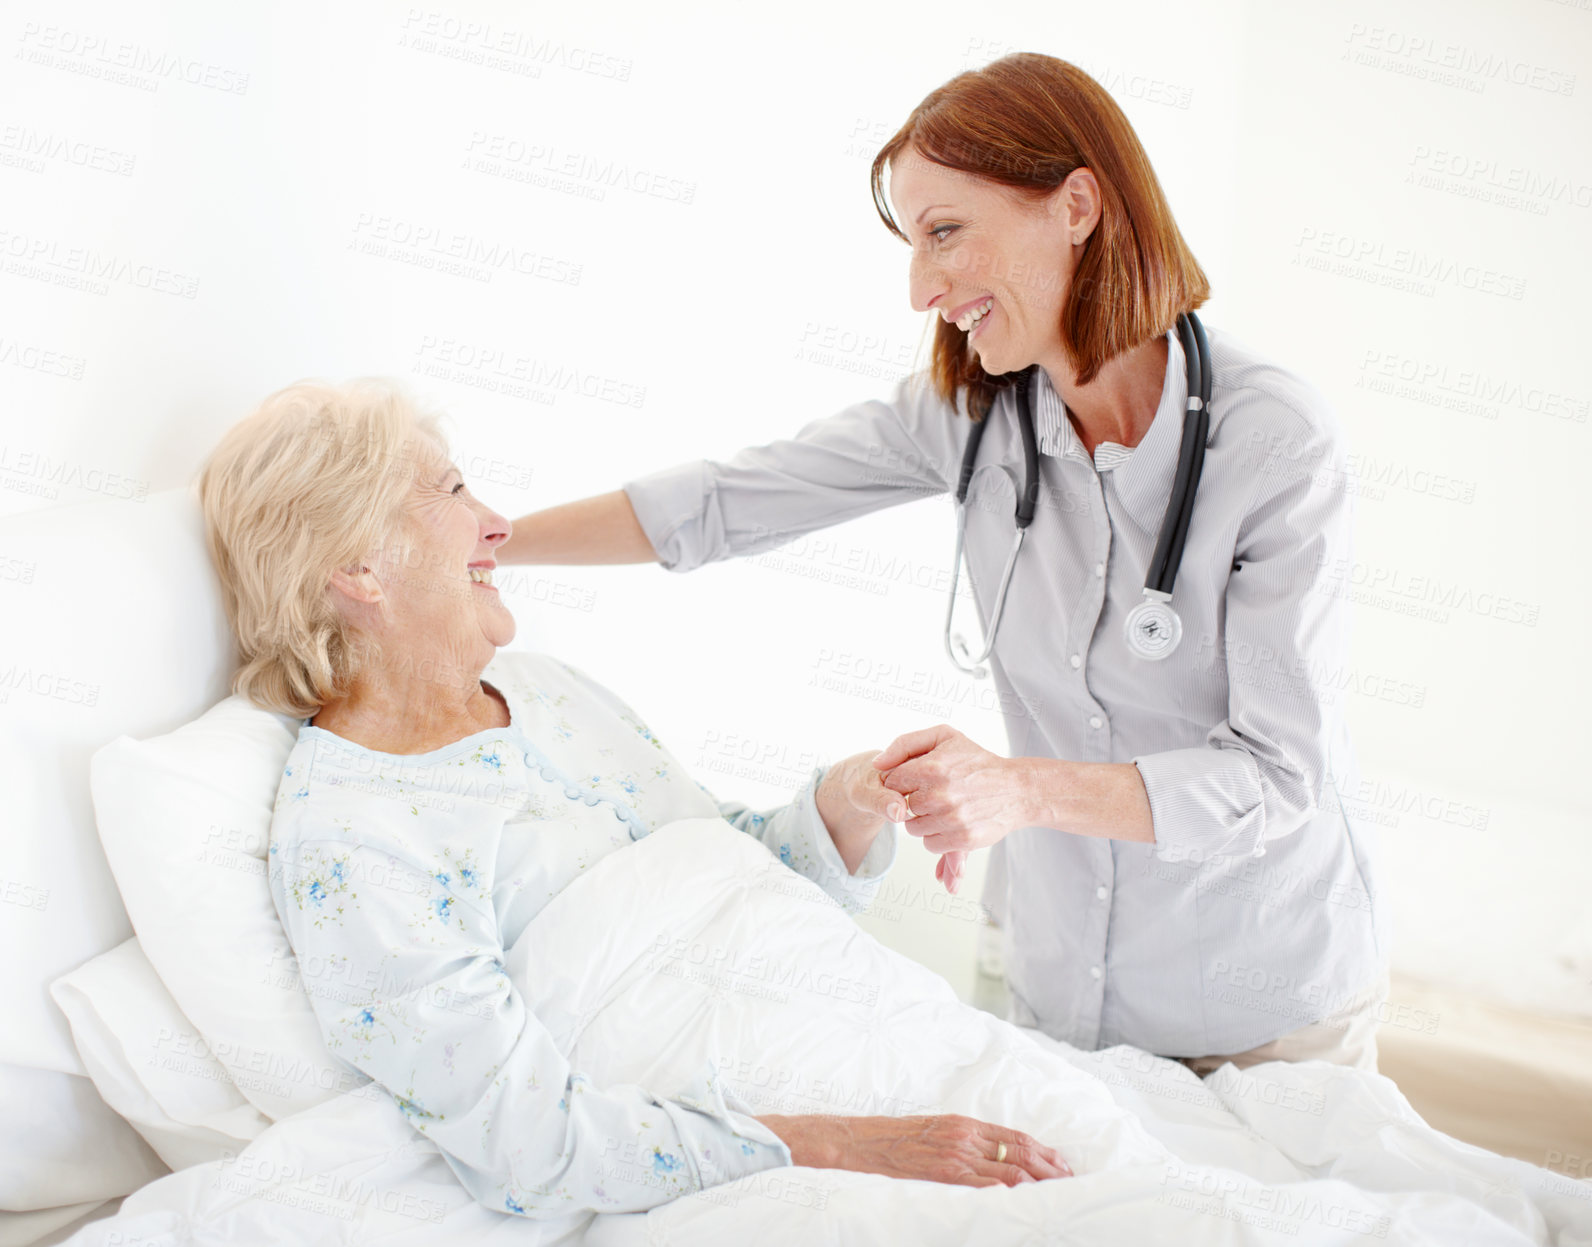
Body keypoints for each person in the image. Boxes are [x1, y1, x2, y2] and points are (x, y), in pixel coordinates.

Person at [496, 52, 1391, 1075]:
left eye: (945, 232)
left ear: (1079, 206)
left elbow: (1277, 774)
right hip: (1058, 995)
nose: (923, 286)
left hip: (1266, 1008)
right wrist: (489, 541)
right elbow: (725, 501)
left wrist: (1021, 790)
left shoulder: (1273, 441)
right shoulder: (973, 415)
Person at [196, 378, 1071, 1219]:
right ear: (359, 566)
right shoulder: (356, 836)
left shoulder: (546, 689)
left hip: (877, 1039)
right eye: (455, 489)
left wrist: (852, 798)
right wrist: (854, 1143)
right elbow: (528, 1145)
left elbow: (737, 876)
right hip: (769, 1141)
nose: (498, 526)